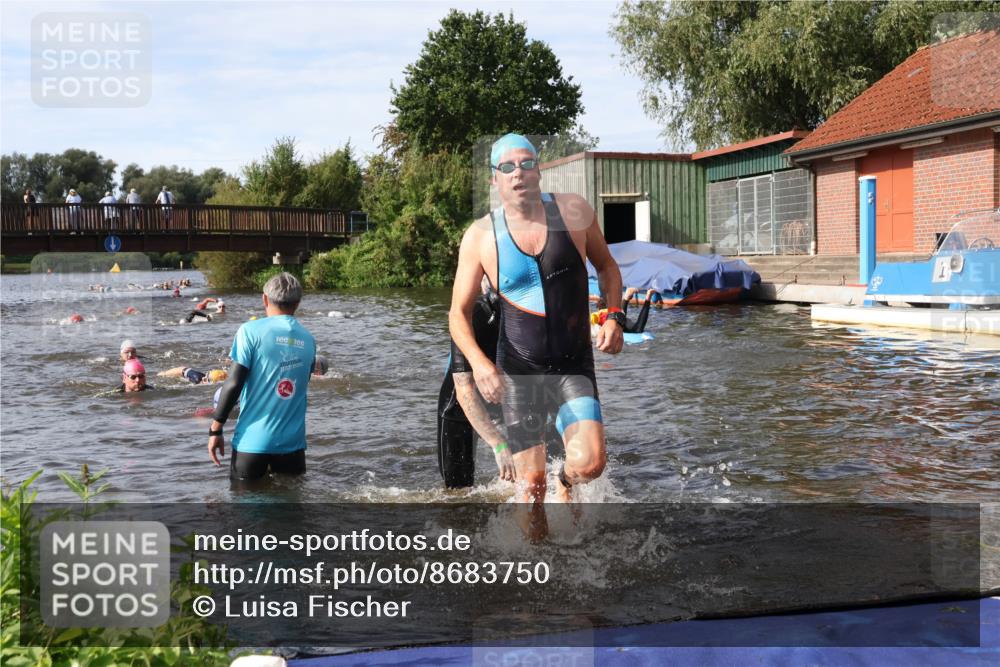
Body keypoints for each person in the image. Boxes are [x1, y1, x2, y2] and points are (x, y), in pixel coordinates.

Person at [449, 133, 624, 511]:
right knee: (530, 487)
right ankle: (540, 568)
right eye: (508, 167)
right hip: (520, 372)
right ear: (494, 178)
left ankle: (566, 481)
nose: (519, 174)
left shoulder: (574, 212)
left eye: (527, 164)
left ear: (539, 170)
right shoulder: (479, 236)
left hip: (573, 365)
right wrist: (480, 364)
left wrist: (614, 316)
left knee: (590, 464)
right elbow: (457, 314)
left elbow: (607, 267)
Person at [207, 273, 317, 482]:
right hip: (293, 446)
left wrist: (215, 429)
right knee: (291, 509)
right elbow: (303, 383)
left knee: (245, 509)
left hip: (252, 443)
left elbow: (234, 383)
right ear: (298, 303)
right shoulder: (309, 340)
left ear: (264, 299)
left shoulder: (250, 331)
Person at [593, 287, 657, 334]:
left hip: (619, 321)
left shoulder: (598, 314)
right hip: (623, 319)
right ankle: (647, 296)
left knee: (637, 329)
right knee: (636, 328)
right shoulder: (610, 310)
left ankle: (647, 297)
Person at [158, 367, 228, 384]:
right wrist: (165, 374)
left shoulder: (202, 380)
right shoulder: (197, 378)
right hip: (180, 371)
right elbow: (182, 369)